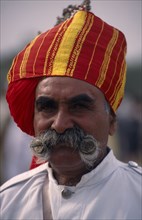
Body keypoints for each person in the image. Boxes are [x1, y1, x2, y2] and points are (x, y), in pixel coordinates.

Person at [0, 2, 141, 220]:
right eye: (47, 107)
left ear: (112, 119)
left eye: (79, 106)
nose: (60, 123)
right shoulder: (9, 201)